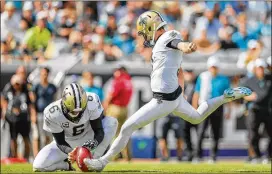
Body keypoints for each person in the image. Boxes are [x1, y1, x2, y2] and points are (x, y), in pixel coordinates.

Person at [84, 10, 252, 171]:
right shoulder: (163, 43)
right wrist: (183, 92)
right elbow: (179, 70)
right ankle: (224, 97)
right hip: (176, 97)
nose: (144, 35)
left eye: (144, 31)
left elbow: (177, 43)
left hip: (162, 100)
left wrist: (186, 46)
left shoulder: (167, 37)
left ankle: (102, 162)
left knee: (127, 128)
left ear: (151, 27)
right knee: (197, 117)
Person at [32, 83, 118, 172]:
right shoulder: (52, 112)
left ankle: (95, 161)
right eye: (73, 112)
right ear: (64, 106)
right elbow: (60, 142)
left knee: (111, 122)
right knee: (38, 166)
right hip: (67, 142)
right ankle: (66, 166)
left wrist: (91, 145)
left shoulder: (91, 101)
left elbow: (99, 131)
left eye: (81, 111)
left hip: (88, 136)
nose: (78, 115)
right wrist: (71, 152)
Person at [192, 56, 231, 163]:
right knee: (200, 132)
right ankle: (197, 156)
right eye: (212, 67)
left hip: (218, 107)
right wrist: (194, 107)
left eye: (215, 67)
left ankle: (213, 157)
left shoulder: (224, 79)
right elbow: (197, 92)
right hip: (204, 106)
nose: (213, 69)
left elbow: (228, 96)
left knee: (216, 132)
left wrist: (229, 110)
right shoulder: (203, 76)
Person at [242, 59, 272, 164]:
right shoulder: (249, 81)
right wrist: (249, 97)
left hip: (268, 110)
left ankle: (269, 156)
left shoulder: (269, 79)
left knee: (270, 134)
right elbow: (243, 94)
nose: (260, 70)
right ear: (255, 69)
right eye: (258, 68)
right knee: (253, 134)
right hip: (254, 110)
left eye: (262, 68)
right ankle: (256, 156)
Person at [1, 75, 36, 160]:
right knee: (13, 139)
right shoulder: (9, 90)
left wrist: (32, 115)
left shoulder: (25, 91)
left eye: (18, 84)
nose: (16, 86)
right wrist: (5, 113)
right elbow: (4, 101)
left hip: (24, 119)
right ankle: (15, 157)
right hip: (12, 120)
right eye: (15, 84)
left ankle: (26, 158)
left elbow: (30, 103)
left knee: (26, 139)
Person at [104, 66, 133, 161]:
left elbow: (111, 95)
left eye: (116, 71)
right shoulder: (128, 81)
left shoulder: (118, 81)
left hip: (115, 108)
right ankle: (127, 155)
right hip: (125, 109)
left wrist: (105, 106)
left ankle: (114, 156)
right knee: (124, 132)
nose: (115, 73)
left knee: (112, 132)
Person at [158, 67, 185, 162]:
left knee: (179, 136)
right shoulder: (161, 82)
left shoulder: (179, 83)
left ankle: (180, 156)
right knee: (162, 136)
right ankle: (165, 156)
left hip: (176, 113)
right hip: (164, 113)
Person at [31, 67, 57, 155]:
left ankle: (46, 154)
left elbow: (55, 100)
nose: (44, 76)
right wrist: (33, 114)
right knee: (38, 135)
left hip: (49, 115)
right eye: (42, 74)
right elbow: (33, 101)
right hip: (39, 113)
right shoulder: (37, 86)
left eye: (45, 74)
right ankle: (36, 155)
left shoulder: (52, 87)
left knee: (48, 136)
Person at [182, 69, 197, 162]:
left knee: (198, 135)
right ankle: (189, 154)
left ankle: (197, 155)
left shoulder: (197, 84)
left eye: (190, 73)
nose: (189, 75)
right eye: (187, 73)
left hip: (195, 113)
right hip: (185, 114)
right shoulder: (182, 85)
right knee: (185, 135)